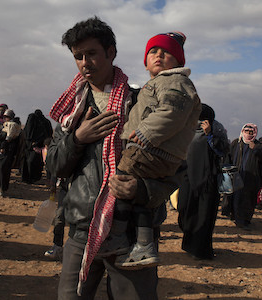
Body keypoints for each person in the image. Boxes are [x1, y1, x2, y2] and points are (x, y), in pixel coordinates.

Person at [46, 16, 185, 300]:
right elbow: (55, 167)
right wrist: (77, 139)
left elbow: (175, 168)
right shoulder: (70, 113)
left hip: (132, 234)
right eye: (78, 56)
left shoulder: (143, 103)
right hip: (81, 232)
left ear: (111, 52)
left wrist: (142, 190)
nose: (85, 62)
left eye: (91, 53)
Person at [98, 31, 201, 269]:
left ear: (178, 61)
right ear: (145, 62)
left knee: (121, 184)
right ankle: (143, 244)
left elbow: (172, 113)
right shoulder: (156, 84)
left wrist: (145, 132)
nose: (159, 55)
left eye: (167, 53)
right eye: (153, 52)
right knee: (139, 198)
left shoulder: (175, 81)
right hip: (157, 150)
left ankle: (118, 238)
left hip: (151, 149)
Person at [177, 104, 229, 260]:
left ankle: (200, 250)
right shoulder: (188, 130)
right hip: (188, 178)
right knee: (184, 208)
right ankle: (188, 244)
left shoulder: (217, 130)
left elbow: (222, 150)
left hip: (207, 180)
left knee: (203, 216)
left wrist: (210, 135)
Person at [226, 123, 262, 229]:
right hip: (236, 176)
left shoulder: (259, 146)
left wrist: (255, 150)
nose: (249, 134)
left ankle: (244, 220)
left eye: (251, 132)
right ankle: (235, 217)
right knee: (235, 197)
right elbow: (229, 157)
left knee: (248, 199)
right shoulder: (236, 143)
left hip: (251, 179)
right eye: (247, 131)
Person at [22, 109, 53, 183]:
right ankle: (34, 178)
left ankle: (29, 178)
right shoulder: (46, 122)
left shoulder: (35, 119)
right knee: (35, 162)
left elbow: (27, 132)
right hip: (40, 146)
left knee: (29, 161)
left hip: (32, 145)